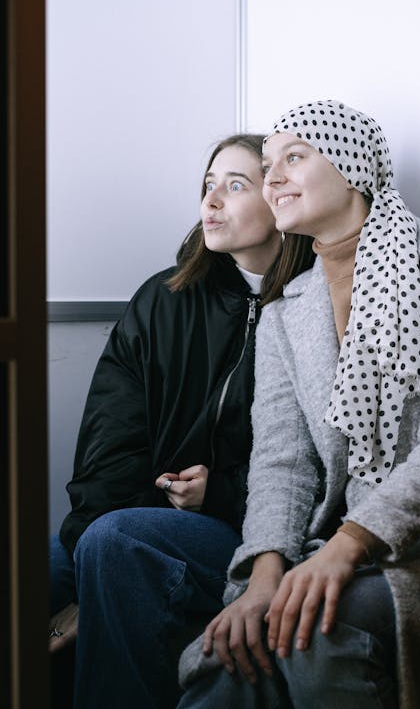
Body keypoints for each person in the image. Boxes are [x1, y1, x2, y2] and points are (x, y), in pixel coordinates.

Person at [177, 101, 420, 709]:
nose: (273, 177)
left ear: (353, 165)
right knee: (221, 654)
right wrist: (261, 579)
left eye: (294, 158)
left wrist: (345, 548)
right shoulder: (286, 312)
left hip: (418, 547)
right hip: (319, 542)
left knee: (311, 630)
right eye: (267, 164)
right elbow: (282, 464)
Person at [48, 132, 315, 709]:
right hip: (139, 509)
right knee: (39, 564)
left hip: (246, 530)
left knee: (114, 541)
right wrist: (85, 550)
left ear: (279, 199)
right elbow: (109, 441)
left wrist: (217, 493)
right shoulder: (163, 299)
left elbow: (310, 465)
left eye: (235, 185)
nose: (211, 201)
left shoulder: (310, 308)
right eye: (207, 184)